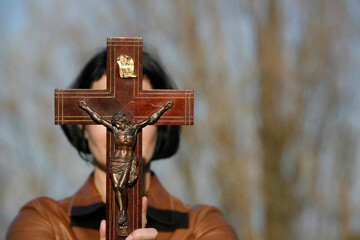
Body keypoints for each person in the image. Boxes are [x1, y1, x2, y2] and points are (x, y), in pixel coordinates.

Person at [7, 49, 238, 240]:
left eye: (140, 110)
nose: (124, 117)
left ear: (161, 126)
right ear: (82, 127)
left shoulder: (200, 226)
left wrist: (164, 108)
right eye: (106, 107)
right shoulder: (45, 221)